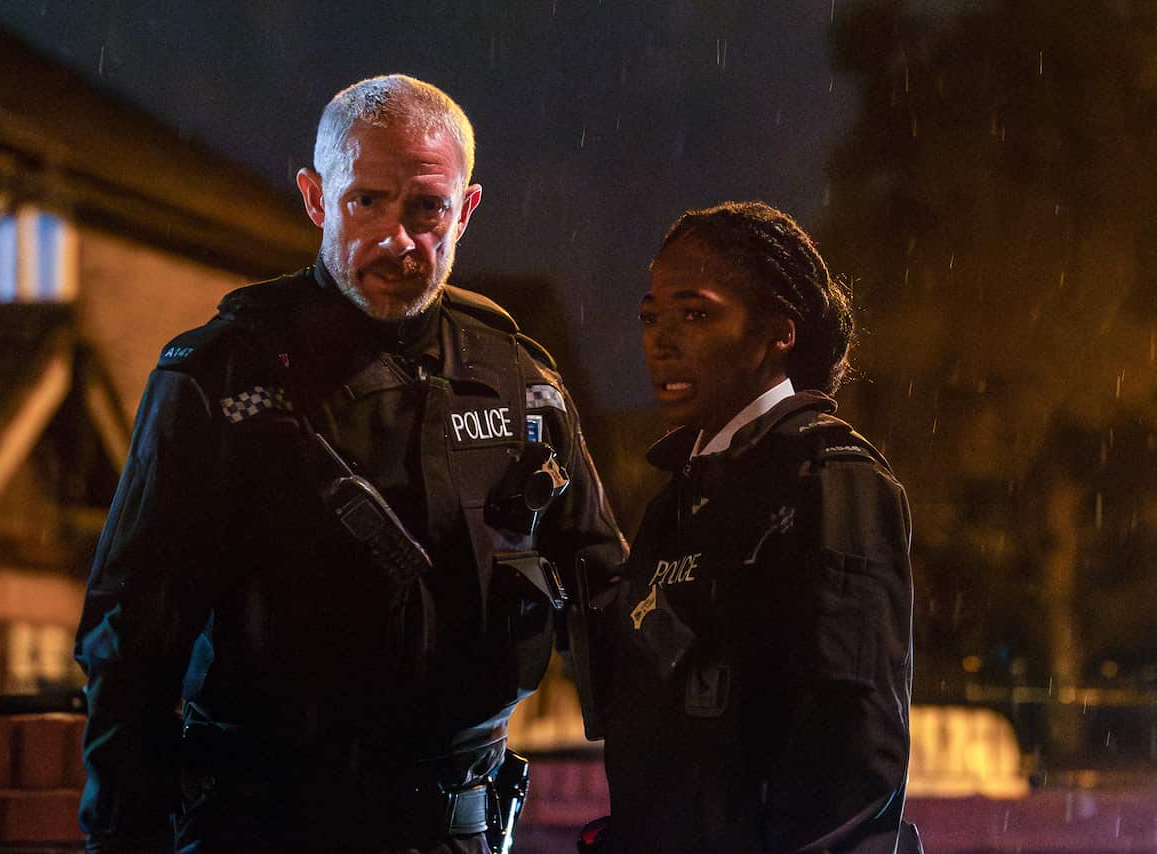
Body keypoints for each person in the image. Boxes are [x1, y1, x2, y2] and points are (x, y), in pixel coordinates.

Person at [74, 74, 625, 854]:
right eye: (367, 201)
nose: (398, 240)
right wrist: (123, 838)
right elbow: (129, 640)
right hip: (266, 827)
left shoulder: (518, 377)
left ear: (466, 209)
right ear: (315, 198)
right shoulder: (223, 378)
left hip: (459, 829)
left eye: (427, 208)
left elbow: (605, 598)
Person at [586, 201, 918, 853]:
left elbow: (849, 757)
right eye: (652, 317)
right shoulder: (676, 497)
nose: (661, 341)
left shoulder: (831, 478)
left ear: (778, 333)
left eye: (695, 314)